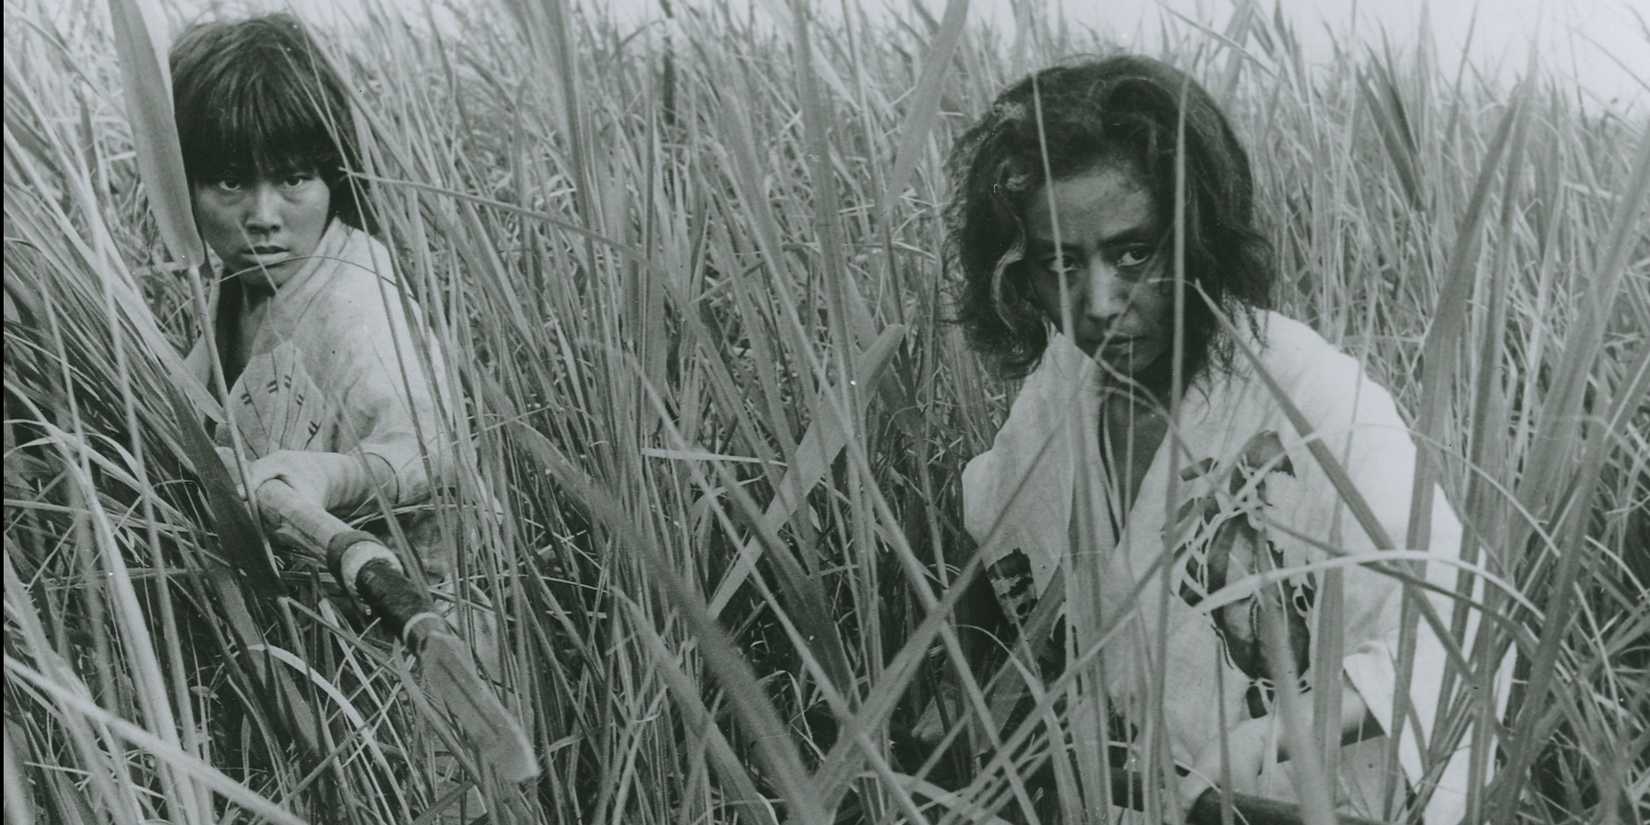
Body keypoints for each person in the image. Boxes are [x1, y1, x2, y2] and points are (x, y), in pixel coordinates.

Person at [948, 55, 1508, 824]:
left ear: (1194, 236)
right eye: (1061, 263)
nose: (1100, 302)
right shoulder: (1060, 391)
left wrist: (1263, 741)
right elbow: (995, 527)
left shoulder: (1310, 393)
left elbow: (1461, 629)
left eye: (1134, 253)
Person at [170, 14, 509, 822]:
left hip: (423, 632)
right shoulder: (241, 286)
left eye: (293, 177)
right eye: (228, 182)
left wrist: (332, 473)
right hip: (324, 642)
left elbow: (430, 449)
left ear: (333, 176)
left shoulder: (358, 298)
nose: (263, 214)